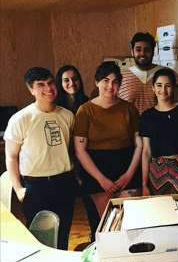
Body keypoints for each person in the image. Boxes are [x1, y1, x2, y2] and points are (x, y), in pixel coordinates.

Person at [4, 67, 77, 250]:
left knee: (63, 235)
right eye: (41, 85)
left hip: (64, 183)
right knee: (41, 240)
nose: (48, 88)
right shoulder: (20, 119)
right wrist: (18, 188)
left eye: (51, 82)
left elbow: (71, 150)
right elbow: (11, 157)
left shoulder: (67, 116)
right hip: (36, 187)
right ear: (31, 90)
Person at [74, 61, 142, 217]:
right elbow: (80, 150)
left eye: (115, 82)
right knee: (108, 223)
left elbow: (139, 145)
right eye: (106, 80)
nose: (110, 86)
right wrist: (101, 179)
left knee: (129, 219)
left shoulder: (129, 109)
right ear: (96, 82)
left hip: (127, 168)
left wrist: (129, 174)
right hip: (97, 171)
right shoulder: (85, 110)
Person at [140, 68, 178, 211]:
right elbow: (146, 151)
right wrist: (144, 183)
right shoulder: (147, 116)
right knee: (161, 214)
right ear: (153, 87)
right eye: (159, 85)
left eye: (168, 85)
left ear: (173, 88)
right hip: (157, 169)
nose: (163, 90)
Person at [54, 64, 99, 240]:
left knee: (92, 209)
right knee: (64, 214)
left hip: (85, 162)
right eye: (66, 80)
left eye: (75, 79)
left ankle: (94, 242)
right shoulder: (56, 108)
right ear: (60, 83)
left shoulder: (87, 104)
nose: (71, 83)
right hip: (63, 165)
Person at [117, 32, 178, 114]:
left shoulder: (167, 73)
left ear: (153, 51)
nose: (142, 53)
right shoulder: (121, 76)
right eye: (138, 49)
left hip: (161, 125)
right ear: (132, 51)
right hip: (131, 126)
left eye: (147, 50)